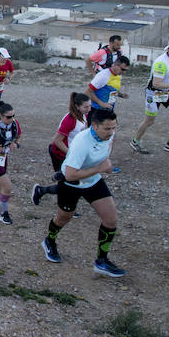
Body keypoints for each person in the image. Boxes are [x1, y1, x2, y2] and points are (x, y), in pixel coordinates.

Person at [40, 109, 126, 278]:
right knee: (64, 217)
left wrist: (106, 163)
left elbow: (105, 153)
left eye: (114, 128)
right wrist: (99, 168)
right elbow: (71, 174)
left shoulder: (109, 135)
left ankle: (102, 261)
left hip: (93, 181)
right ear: (94, 126)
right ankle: (49, 240)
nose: (111, 132)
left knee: (111, 219)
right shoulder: (81, 142)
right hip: (71, 183)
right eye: (107, 129)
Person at [130, 37, 169, 155]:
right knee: (149, 121)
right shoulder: (161, 63)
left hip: (167, 92)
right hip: (154, 93)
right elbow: (156, 83)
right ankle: (135, 141)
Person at [31, 93, 91, 206]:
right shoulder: (70, 120)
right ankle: (43, 191)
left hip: (69, 154)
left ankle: (49, 193)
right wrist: (71, 154)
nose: (89, 109)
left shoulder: (83, 116)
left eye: (89, 106)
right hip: (60, 154)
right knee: (70, 183)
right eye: (86, 107)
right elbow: (56, 141)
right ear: (77, 106)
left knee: (71, 183)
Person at [85, 56, 130, 124]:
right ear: (115, 65)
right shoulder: (103, 75)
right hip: (96, 111)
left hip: (109, 109)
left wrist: (121, 95)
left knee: (111, 132)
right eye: (122, 69)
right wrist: (101, 103)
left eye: (126, 70)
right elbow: (88, 92)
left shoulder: (118, 75)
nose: (124, 72)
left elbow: (113, 89)